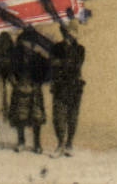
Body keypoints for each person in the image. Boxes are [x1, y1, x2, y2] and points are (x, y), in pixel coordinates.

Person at [7, 28, 51, 154]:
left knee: (36, 117)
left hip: (34, 90)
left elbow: (47, 74)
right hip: (20, 89)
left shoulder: (39, 58)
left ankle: (37, 144)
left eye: (28, 42)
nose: (26, 45)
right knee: (20, 117)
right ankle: (21, 142)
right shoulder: (16, 57)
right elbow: (10, 73)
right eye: (24, 42)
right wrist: (16, 84)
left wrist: (38, 83)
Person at [49, 28, 87, 156]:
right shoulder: (57, 47)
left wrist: (61, 62)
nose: (70, 36)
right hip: (60, 86)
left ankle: (69, 144)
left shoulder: (80, 49)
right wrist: (61, 63)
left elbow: (76, 64)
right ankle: (60, 144)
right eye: (68, 33)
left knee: (72, 117)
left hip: (74, 87)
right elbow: (52, 63)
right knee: (59, 117)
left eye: (73, 33)